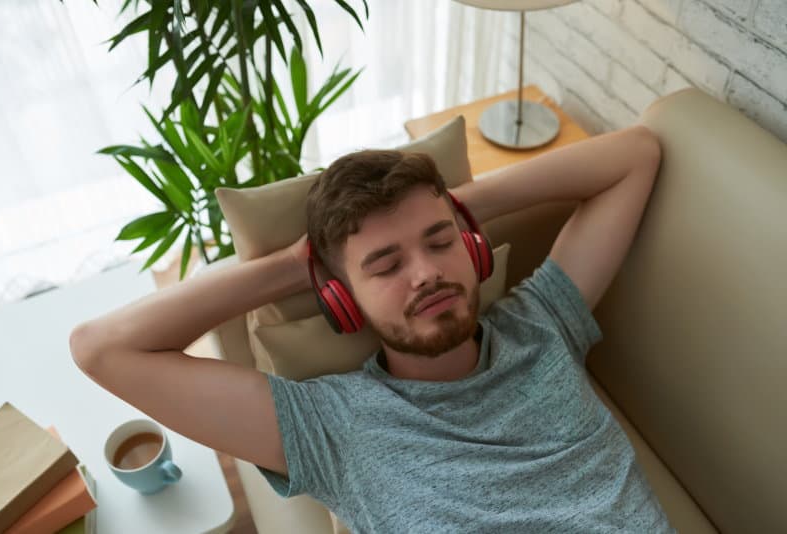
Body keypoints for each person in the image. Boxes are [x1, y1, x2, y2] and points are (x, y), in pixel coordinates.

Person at [70, 124, 674, 532]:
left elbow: (636, 153)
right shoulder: (330, 425)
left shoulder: (541, 321)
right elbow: (100, 348)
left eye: (441, 243)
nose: (426, 274)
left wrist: (459, 205)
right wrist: (293, 266)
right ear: (341, 298)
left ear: (472, 246)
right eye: (385, 265)